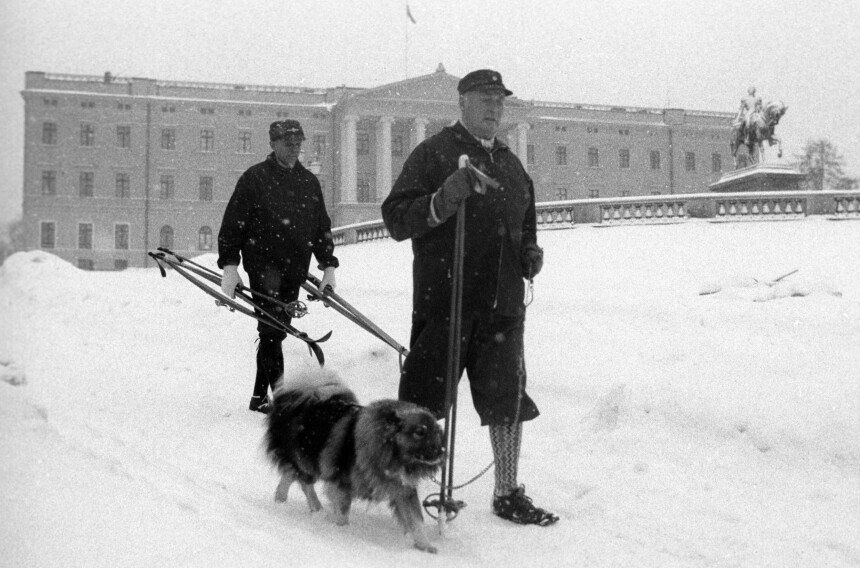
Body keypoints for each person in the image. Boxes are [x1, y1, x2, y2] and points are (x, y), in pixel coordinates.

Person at [381, 69, 558, 526]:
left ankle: (507, 490)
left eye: (499, 101)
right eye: (484, 99)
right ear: (461, 103)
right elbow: (397, 218)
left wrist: (528, 253)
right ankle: (407, 488)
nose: (494, 109)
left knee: (507, 400)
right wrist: (441, 201)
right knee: (424, 398)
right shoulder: (434, 153)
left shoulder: (510, 164)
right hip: (447, 300)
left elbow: (526, 220)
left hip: (502, 307)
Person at [218, 119, 338, 414]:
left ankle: (259, 398)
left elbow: (321, 226)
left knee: (276, 329)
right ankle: (284, 402)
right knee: (272, 328)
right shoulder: (254, 179)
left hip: (294, 268)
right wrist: (230, 266)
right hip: (263, 266)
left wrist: (328, 268)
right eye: (288, 143)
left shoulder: (308, 182)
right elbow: (233, 224)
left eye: (298, 144)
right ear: (273, 144)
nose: (294, 149)